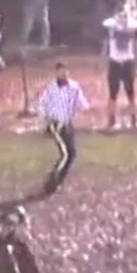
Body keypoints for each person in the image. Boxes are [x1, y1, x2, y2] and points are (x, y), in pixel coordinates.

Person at [36, 61, 89, 192]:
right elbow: (42, 104)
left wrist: (84, 109)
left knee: (72, 154)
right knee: (65, 154)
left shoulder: (74, 87)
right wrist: (44, 120)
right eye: (61, 71)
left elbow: (82, 103)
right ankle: (52, 179)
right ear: (57, 72)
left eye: (66, 70)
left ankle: (58, 179)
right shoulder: (51, 88)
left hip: (67, 123)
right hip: (55, 124)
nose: (64, 73)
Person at [101, 6, 137, 129]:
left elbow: (136, 47)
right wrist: (103, 62)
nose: (122, 18)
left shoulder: (133, 28)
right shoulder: (110, 28)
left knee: (131, 93)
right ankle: (111, 120)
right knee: (113, 93)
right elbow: (106, 46)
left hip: (128, 62)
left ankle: (134, 120)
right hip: (114, 61)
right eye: (120, 15)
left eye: (124, 15)